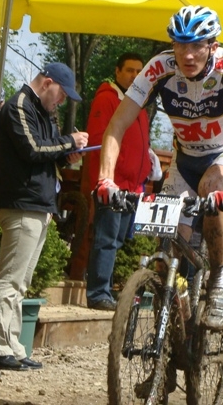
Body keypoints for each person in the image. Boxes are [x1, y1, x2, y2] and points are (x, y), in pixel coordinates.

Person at [94, 5, 223, 330]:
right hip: (184, 161)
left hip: (222, 155)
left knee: (213, 190)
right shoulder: (159, 67)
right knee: (167, 253)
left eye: (196, 46)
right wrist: (105, 180)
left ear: (212, 45)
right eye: (180, 45)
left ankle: (218, 283)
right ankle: (171, 334)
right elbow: (116, 126)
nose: (187, 55)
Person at [0, 63, 89, 371]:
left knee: (21, 282)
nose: (62, 101)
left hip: (38, 205)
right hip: (21, 204)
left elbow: (46, 152)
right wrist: (69, 142)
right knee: (10, 279)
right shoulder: (19, 106)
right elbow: (32, 149)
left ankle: (13, 347)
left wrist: (66, 155)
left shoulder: (42, 111)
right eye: (62, 94)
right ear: (47, 83)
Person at [85, 53, 153, 311]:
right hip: (113, 184)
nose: (135, 75)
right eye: (130, 70)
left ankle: (105, 289)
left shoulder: (138, 105)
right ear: (117, 72)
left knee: (117, 239)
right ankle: (98, 293)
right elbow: (98, 140)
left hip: (132, 186)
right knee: (106, 238)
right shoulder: (107, 99)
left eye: (139, 71)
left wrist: (147, 166)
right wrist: (106, 179)